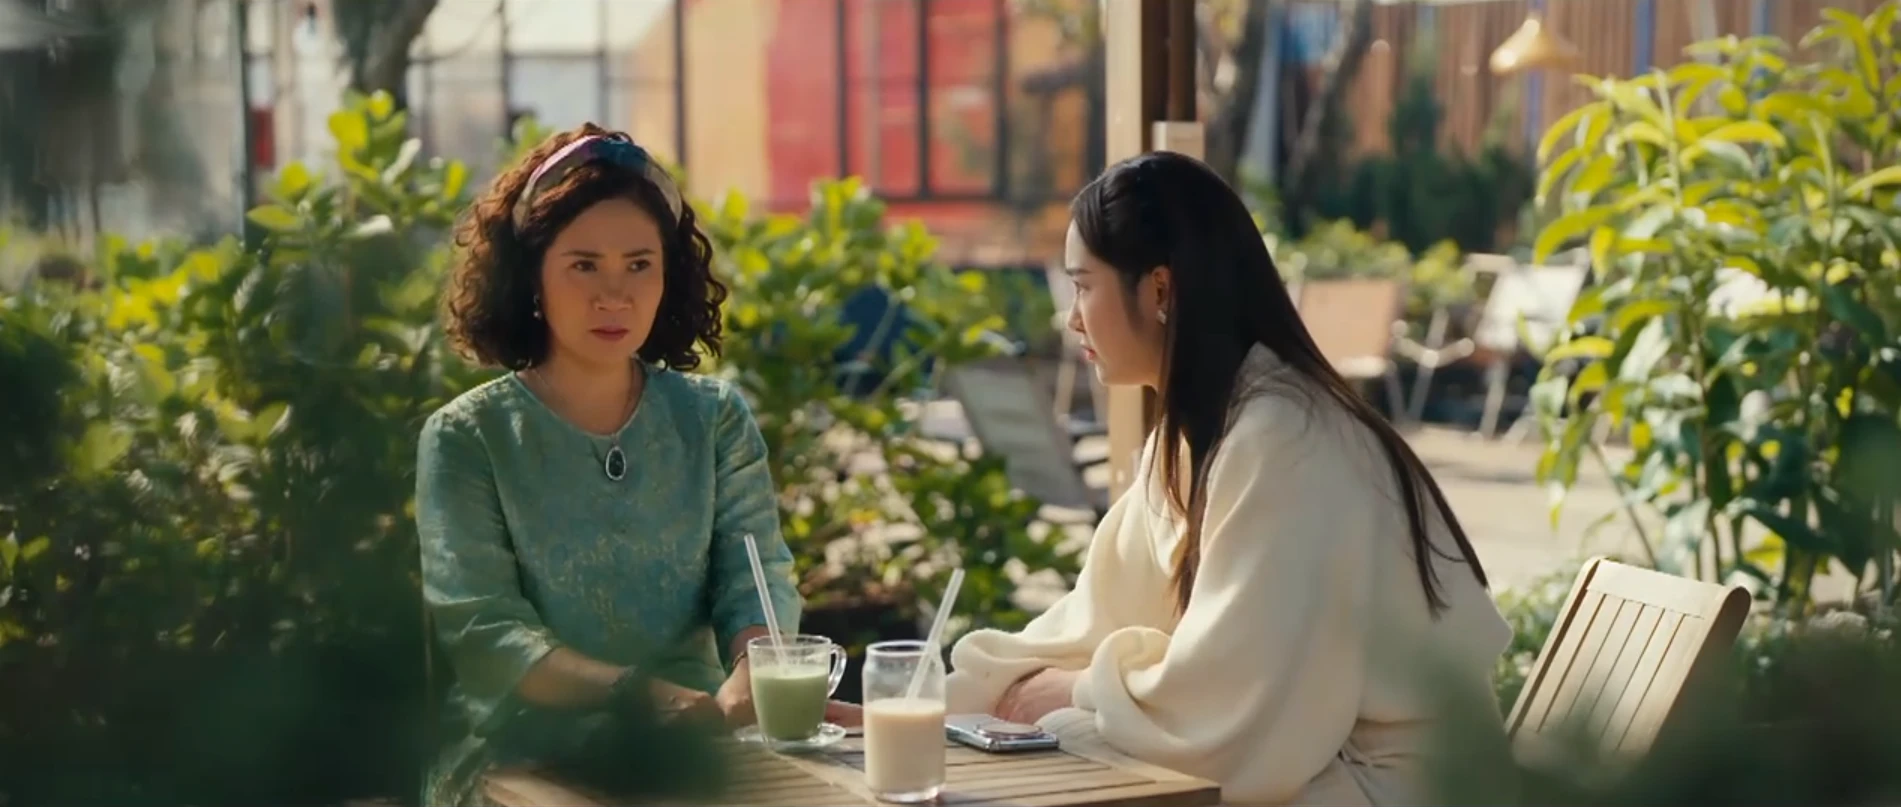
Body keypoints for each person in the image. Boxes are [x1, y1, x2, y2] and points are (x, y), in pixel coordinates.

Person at [945, 152, 1512, 806]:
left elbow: (1230, 720)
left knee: (1060, 746)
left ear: (1159, 290)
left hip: (1400, 787)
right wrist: (934, 705)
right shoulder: (1200, 432)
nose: (1071, 319)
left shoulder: (1285, 437)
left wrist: (1072, 693)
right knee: (1048, 740)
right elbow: (1095, 618)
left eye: (1083, 286)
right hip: (1320, 768)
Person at [415, 124, 852, 806]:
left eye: (639, 264)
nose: (614, 295)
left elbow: (756, 575)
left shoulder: (714, 418)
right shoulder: (467, 437)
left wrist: (752, 669)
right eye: (584, 265)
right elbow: (486, 633)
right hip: (520, 759)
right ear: (531, 275)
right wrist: (639, 695)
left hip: (699, 747)